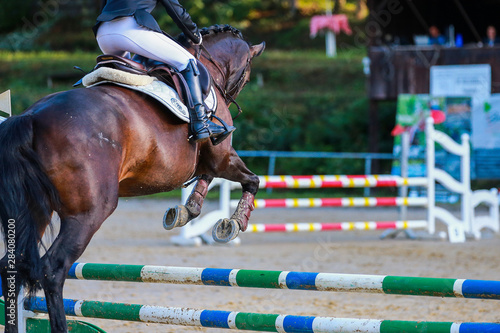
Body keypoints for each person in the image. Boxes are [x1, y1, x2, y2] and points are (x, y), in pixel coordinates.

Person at [93, 0, 235, 144]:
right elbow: (175, 9)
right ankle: (200, 122)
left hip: (102, 32)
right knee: (187, 61)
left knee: (129, 74)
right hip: (128, 27)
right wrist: (194, 34)